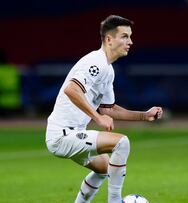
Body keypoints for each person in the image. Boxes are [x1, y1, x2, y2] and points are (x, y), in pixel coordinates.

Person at [45, 15, 163, 203]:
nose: (130, 42)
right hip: (62, 134)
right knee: (121, 143)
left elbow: (109, 109)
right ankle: (115, 201)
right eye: (124, 36)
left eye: (130, 36)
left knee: (105, 168)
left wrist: (144, 115)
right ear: (109, 39)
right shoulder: (95, 62)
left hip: (74, 133)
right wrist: (97, 118)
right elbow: (72, 89)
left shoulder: (108, 69)